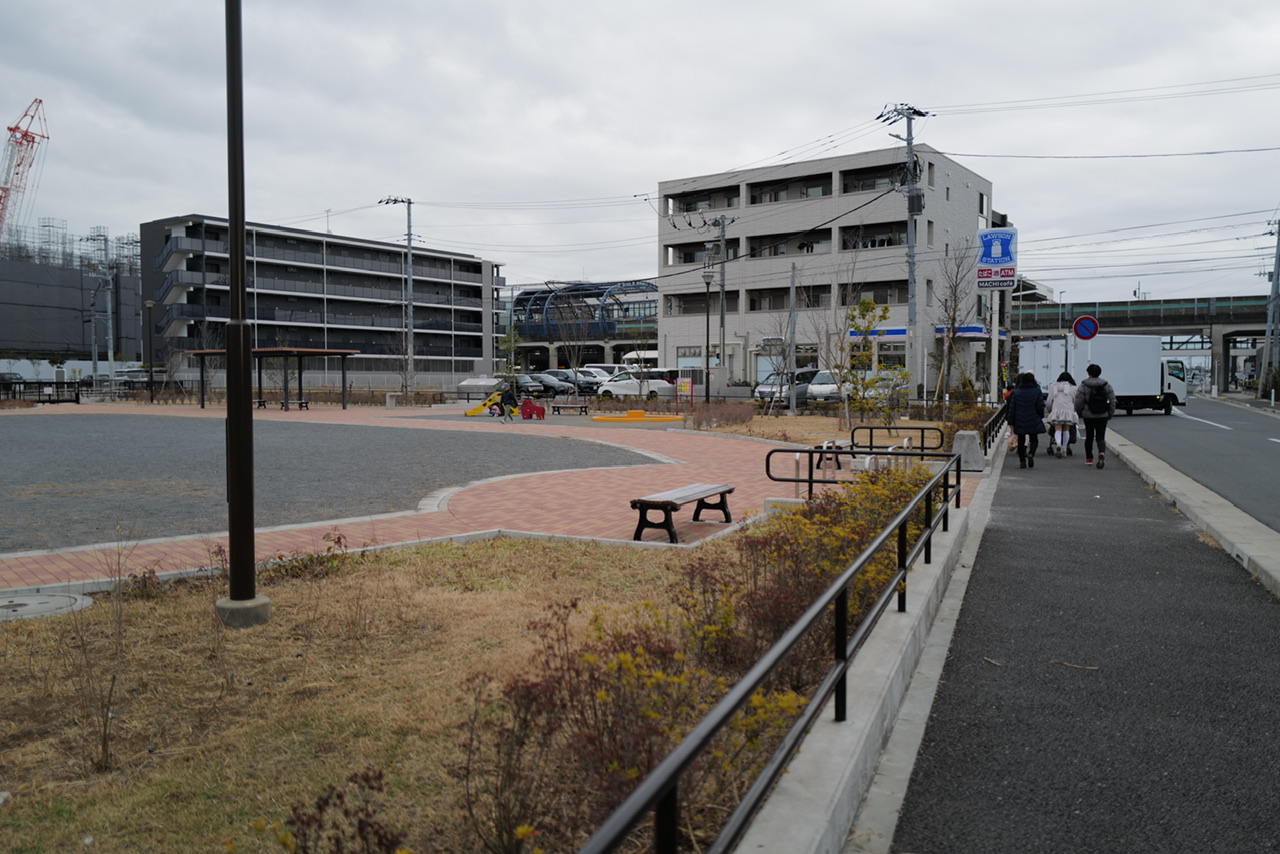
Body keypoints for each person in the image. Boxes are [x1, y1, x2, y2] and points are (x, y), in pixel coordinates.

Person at [1074, 363, 1116, 469]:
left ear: (1088, 373)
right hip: (1102, 415)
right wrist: (1109, 414)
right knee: (1100, 437)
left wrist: (1080, 413)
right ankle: (1101, 452)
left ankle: (1089, 458)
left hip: (1088, 415)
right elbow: (1112, 401)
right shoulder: (1106, 385)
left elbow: (1078, 402)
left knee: (1089, 436)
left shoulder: (1083, 385)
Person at [1007, 371, 1046, 469]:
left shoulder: (1016, 392)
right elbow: (1040, 406)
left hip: (1019, 419)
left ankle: (1022, 461)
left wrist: (1011, 422)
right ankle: (1031, 454)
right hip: (1033, 418)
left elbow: (1012, 408)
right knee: (1034, 439)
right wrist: (1040, 416)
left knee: (1021, 440)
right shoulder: (1037, 390)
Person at [1044, 371, 1078, 458]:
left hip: (1057, 411)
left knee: (1058, 429)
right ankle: (1064, 448)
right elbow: (1076, 401)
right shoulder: (1073, 388)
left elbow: (1049, 402)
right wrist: (1074, 410)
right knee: (1066, 429)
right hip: (1068, 412)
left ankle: (1058, 444)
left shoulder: (1054, 387)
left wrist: (1050, 410)